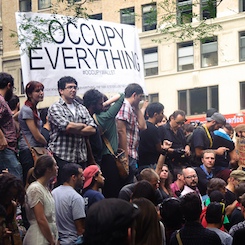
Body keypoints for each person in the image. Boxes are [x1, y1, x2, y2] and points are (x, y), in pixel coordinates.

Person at [48, 76, 96, 184]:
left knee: (80, 188)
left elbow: (93, 129)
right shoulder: (55, 107)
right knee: (63, 187)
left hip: (80, 157)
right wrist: (83, 126)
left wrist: (75, 128)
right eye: (69, 87)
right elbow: (66, 126)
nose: (73, 90)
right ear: (61, 90)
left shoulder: (81, 108)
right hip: (62, 156)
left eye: (75, 87)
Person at [93, 93, 125, 198]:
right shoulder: (107, 116)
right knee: (114, 188)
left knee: (106, 188)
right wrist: (106, 103)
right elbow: (121, 96)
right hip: (110, 157)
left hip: (101, 157)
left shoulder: (94, 117)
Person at [23, 155, 59, 245]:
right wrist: (51, 240)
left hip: (48, 235)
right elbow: (40, 218)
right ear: (48, 169)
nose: (57, 167)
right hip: (39, 237)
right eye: (55, 165)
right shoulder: (35, 189)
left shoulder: (45, 188)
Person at [116, 83, 147, 183]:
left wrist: (137, 107)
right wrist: (124, 155)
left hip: (132, 153)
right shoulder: (125, 106)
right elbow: (121, 130)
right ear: (134, 95)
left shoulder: (132, 108)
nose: (141, 100)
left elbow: (143, 126)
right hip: (127, 153)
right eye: (140, 97)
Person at [18, 81, 47, 184]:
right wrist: (47, 143)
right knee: (30, 180)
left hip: (34, 149)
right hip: (29, 149)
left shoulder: (33, 110)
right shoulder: (27, 110)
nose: (41, 93)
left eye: (42, 90)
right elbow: (37, 135)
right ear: (29, 94)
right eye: (37, 91)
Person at [52, 163, 86, 245]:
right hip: (72, 241)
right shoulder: (76, 197)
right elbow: (80, 229)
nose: (84, 179)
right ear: (73, 177)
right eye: (81, 176)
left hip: (57, 240)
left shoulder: (53, 193)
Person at [0, 72, 22, 179]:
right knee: (16, 177)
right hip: (5, 147)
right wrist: (2, 137)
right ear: (9, 85)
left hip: (8, 147)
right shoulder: (0, 100)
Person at [138, 102, 168, 172]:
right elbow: (159, 148)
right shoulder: (154, 129)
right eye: (161, 113)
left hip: (141, 162)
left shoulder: (143, 125)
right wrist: (165, 147)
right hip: (151, 163)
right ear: (155, 115)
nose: (163, 116)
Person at [0, 172, 25, 244]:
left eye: (14, 196)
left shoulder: (12, 206)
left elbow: (14, 230)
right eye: (9, 195)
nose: (11, 198)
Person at [83, 89, 104, 164]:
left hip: (97, 158)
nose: (102, 107)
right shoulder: (85, 119)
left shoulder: (92, 118)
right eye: (100, 104)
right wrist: (92, 161)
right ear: (92, 105)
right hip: (92, 161)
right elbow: (86, 140)